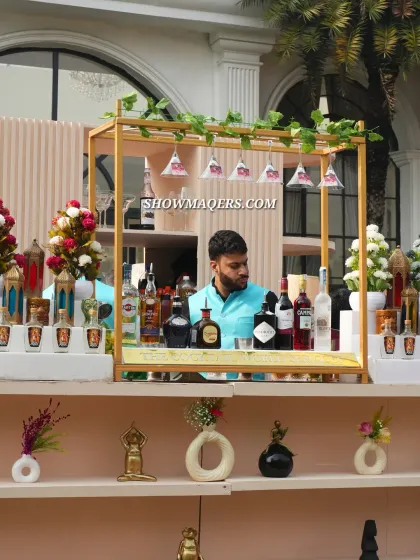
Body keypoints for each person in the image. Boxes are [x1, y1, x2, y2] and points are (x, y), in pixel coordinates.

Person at [187, 230, 277, 350]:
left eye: (245, 264)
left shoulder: (267, 299)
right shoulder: (191, 303)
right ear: (214, 266)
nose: (244, 271)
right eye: (234, 266)